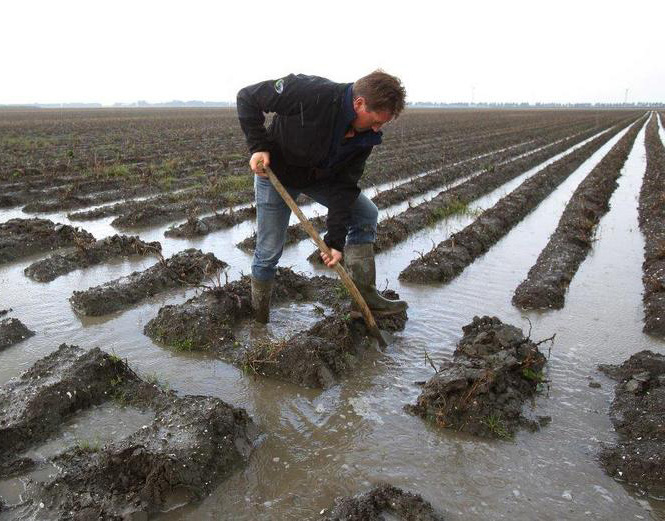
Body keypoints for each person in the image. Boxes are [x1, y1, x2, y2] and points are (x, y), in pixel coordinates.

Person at [237, 70, 408, 323]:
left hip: (319, 178)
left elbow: (345, 187)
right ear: (359, 103)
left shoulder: (365, 137)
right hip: (275, 174)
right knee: (269, 250)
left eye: (382, 124)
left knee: (366, 213)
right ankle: (259, 318)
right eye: (376, 121)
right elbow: (247, 97)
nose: (376, 128)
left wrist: (335, 242)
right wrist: (258, 147)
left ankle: (364, 300)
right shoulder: (310, 92)